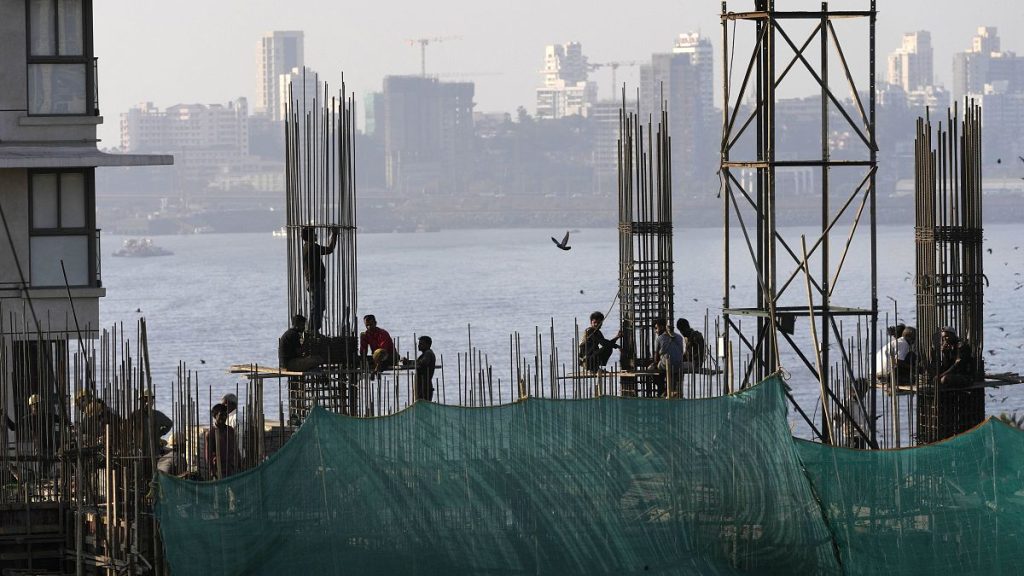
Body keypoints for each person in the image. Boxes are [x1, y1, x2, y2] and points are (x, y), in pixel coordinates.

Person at [301, 225, 339, 334]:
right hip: (315, 282)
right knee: (317, 307)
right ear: (309, 236)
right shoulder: (313, 247)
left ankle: (313, 329)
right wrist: (334, 234)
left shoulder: (307, 246)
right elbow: (330, 249)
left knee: (318, 306)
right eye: (314, 233)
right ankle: (313, 330)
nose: (316, 235)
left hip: (313, 282)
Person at [649, 318, 683, 397]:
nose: (656, 331)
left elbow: (656, 358)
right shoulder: (679, 337)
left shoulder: (659, 338)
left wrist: (653, 363)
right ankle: (670, 389)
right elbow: (681, 351)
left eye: (656, 328)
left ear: (661, 327)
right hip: (678, 365)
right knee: (671, 375)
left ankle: (661, 388)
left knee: (652, 369)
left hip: (667, 365)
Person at [205, 403, 240, 480]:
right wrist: (212, 472)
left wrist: (240, 463)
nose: (224, 417)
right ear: (215, 416)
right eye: (221, 415)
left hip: (231, 467)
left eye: (225, 415)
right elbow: (209, 455)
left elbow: (236, 448)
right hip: (219, 469)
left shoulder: (230, 430)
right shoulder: (211, 433)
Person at [415, 336, 437, 402]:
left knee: (423, 406)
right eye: (419, 344)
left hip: (424, 387)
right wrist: (409, 362)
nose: (419, 345)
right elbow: (420, 362)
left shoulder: (428, 353)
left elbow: (423, 363)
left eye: (421, 344)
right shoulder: (426, 354)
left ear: (427, 345)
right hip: (423, 386)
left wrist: (414, 363)